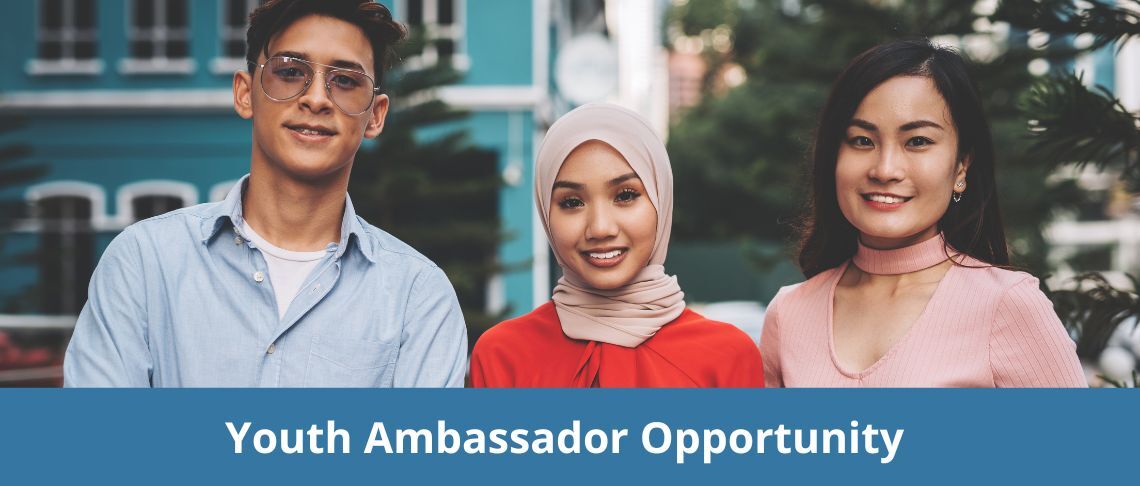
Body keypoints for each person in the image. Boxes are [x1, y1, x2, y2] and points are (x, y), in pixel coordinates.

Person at [63, 0, 467, 387]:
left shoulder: (418, 296)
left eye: (345, 80)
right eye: (290, 72)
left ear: (375, 115)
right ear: (244, 92)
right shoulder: (145, 262)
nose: (316, 98)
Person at [760, 39, 1085, 387]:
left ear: (961, 167)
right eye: (861, 141)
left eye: (917, 141)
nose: (885, 170)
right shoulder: (789, 314)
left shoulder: (1007, 304)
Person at [470, 103, 763, 388]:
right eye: (572, 202)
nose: (600, 228)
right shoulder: (502, 356)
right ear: (546, 214)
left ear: (660, 199)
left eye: (625, 195)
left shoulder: (727, 357)